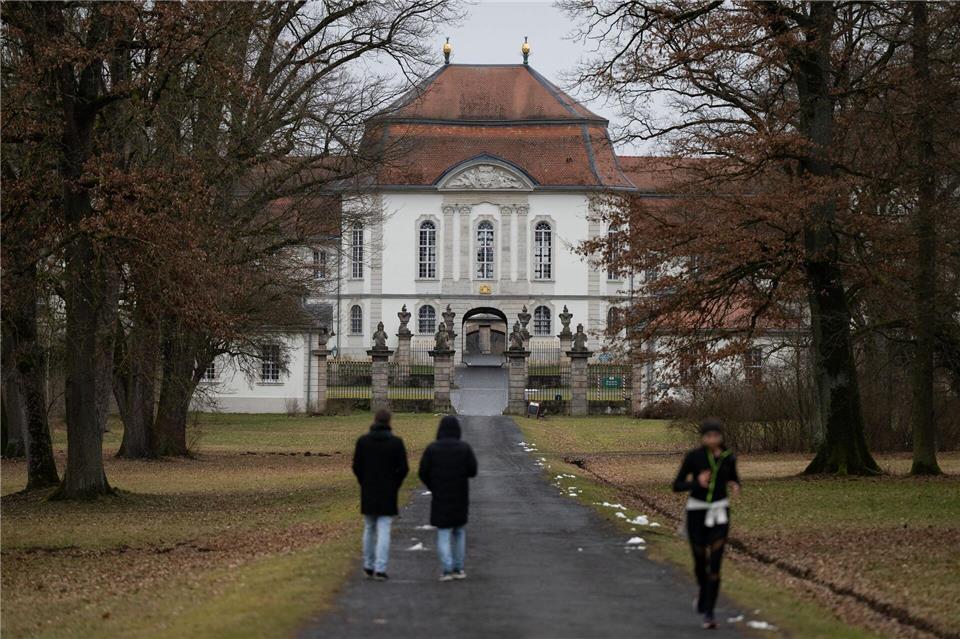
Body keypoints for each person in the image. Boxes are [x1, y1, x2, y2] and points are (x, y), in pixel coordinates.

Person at [672, 418, 741, 630]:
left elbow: (735, 477)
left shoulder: (729, 458)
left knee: (716, 564)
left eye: (715, 436)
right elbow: (676, 485)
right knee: (701, 562)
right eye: (708, 436)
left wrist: (734, 484)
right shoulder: (694, 457)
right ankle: (703, 591)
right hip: (697, 513)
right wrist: (696, 482)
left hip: (720, 513)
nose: (712, 439)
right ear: (702, 438)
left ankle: (709, 613)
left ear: (721, 437)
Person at [418, 415, 478, 581]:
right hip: (459, 495)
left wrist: (433, 486)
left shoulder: (432, 449)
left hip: (440, 495)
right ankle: (458, 568)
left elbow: (423, 472)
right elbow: (473, 470)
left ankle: (446, 569)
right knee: (459, 532)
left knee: (443, 533)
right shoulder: (464, 448)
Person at [352, 409, 409, 581]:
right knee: (384, 528)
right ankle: (380, 567)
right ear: (389, 422)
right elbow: (403, 468)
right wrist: (395, 484)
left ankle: (368, 565)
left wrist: (364, 482)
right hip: (388, 490)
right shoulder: (396, 443)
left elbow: (357, 466)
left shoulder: (363, 441)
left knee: (369, 528)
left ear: (375, 421)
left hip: (369, 489)